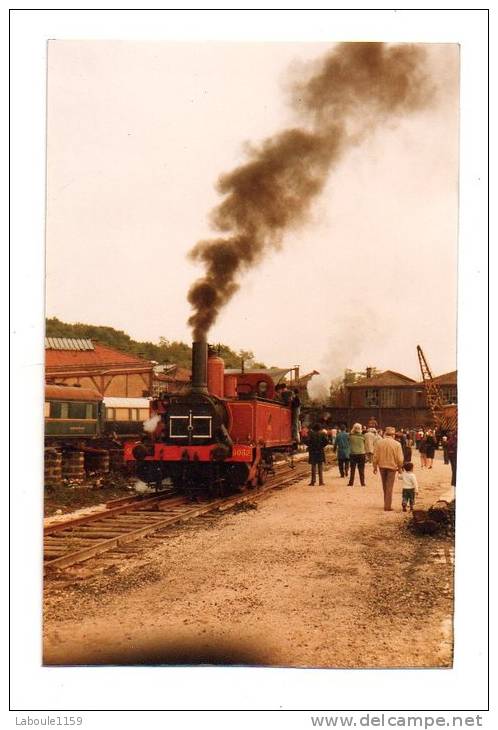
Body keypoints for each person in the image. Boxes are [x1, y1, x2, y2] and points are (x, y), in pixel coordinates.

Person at [373, 426, 404, 511]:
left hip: (382, 466)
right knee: (389, 486)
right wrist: (400, 467)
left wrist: (375, 466)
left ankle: (386, 502)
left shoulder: (379, 443)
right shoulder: (397, 444)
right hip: (392, 467)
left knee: (384, 485)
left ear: (385, 434)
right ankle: (387, 506)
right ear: (393, 435)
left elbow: (375, 456)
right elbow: (400, 459)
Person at [348, 423, 366, 487]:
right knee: (361, 469)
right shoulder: (363, 436)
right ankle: (362, 483)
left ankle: (351, 482)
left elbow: (348, 443)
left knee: (352, 469)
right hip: (361, 454)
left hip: (353, 454)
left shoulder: (350, 436)